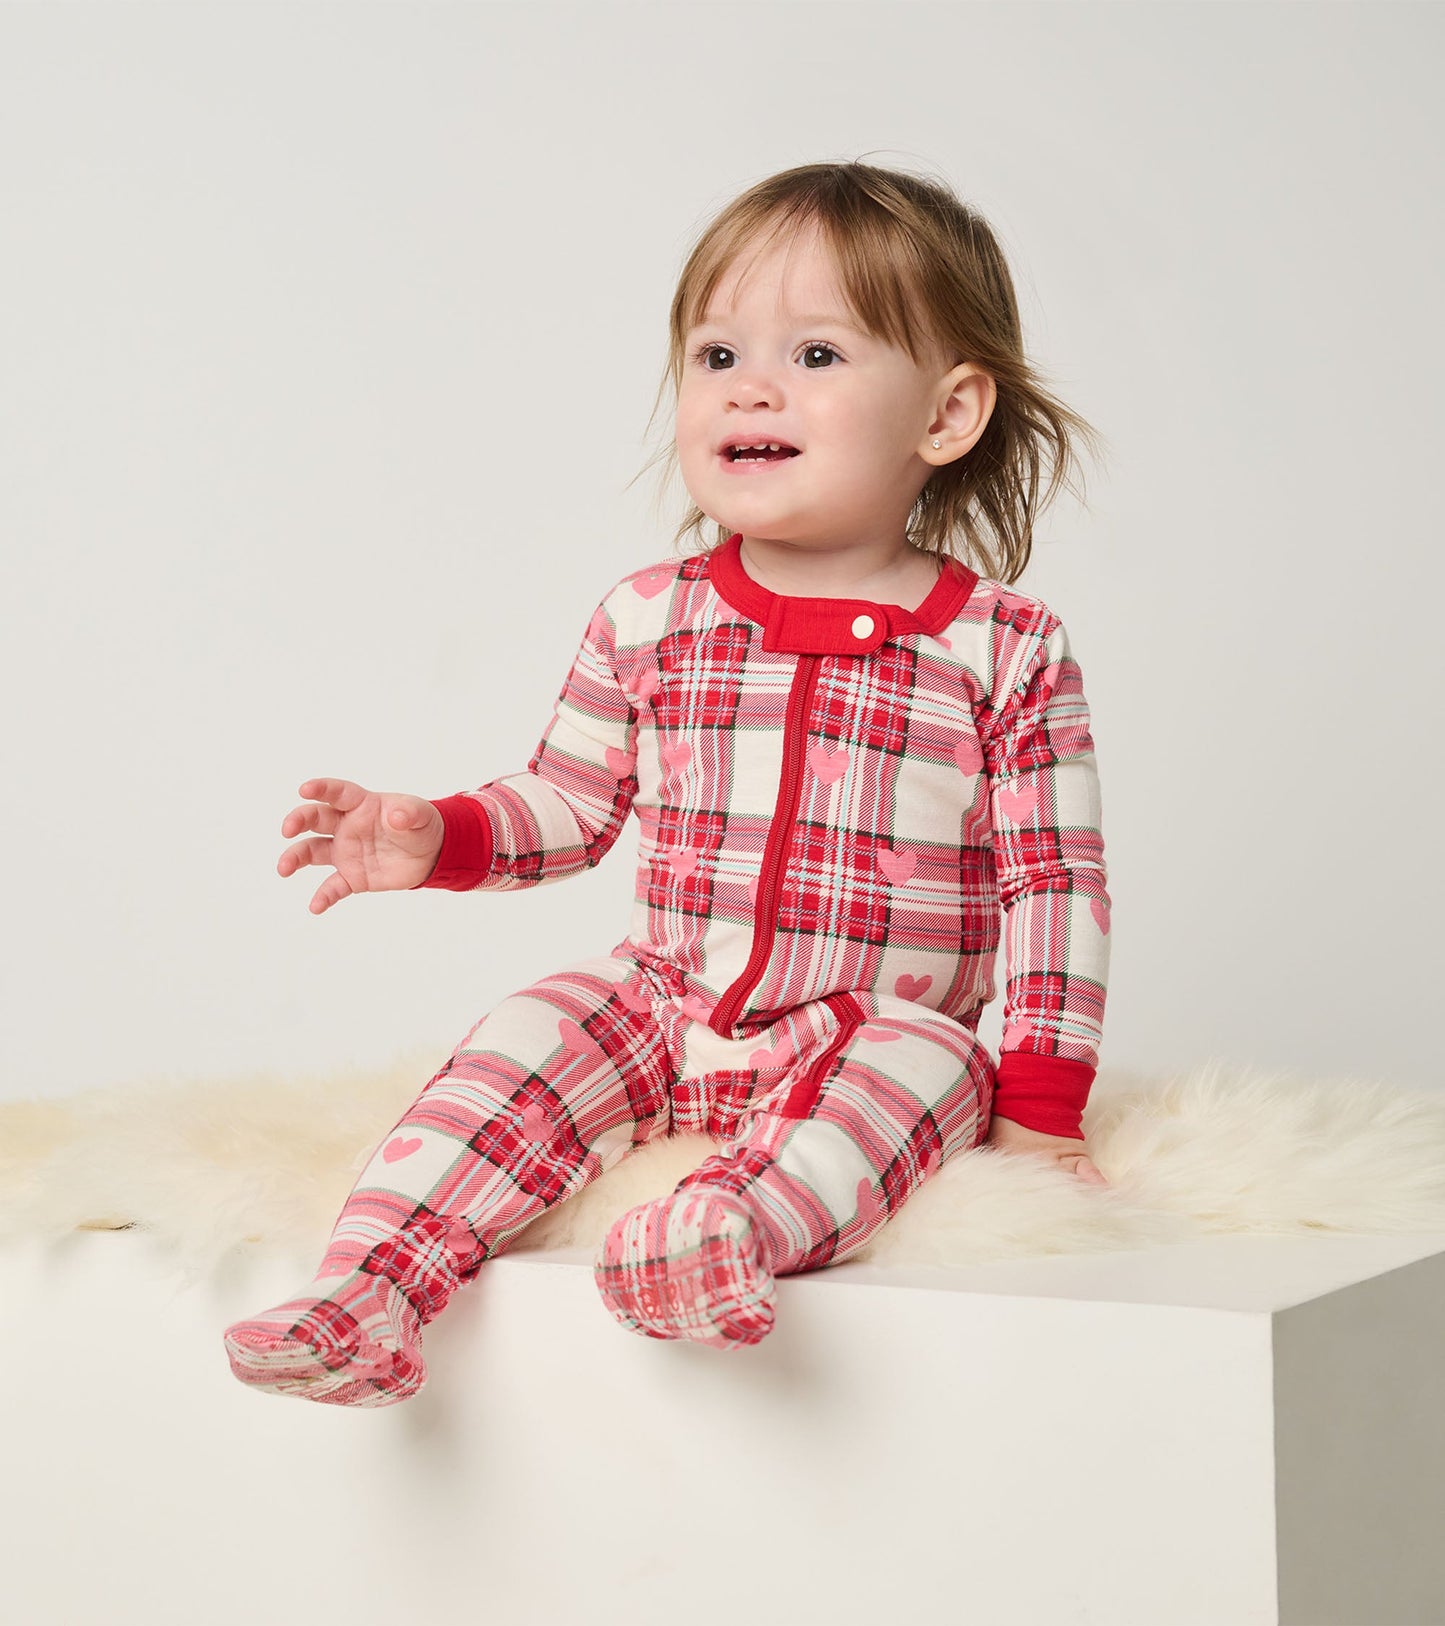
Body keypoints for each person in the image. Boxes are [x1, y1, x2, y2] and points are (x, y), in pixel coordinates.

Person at [223, 157, 1113, 1408]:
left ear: (945, 416)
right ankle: (369, 1286)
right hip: (666, 1003)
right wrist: (444, 835)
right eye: (715, 355)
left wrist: (1041, 1107)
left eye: (816, 355)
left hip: (866, 1021)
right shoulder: (650, 619)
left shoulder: (1001, 647)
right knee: (526, 1034)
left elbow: (1053, 889)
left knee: (921, 1071)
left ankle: (714, 1232)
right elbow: (571, 803)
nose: (751, 385)